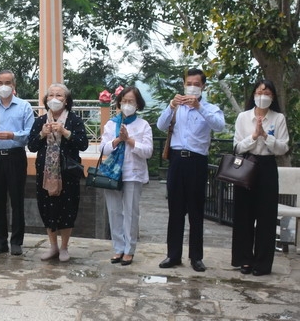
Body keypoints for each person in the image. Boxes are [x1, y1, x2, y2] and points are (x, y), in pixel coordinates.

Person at [156, 68, 225, 272]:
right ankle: (173, 255)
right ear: (184, 84)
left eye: (196, 83)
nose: (192, 87)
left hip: (197, 161)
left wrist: (200, 107)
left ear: (203, 86)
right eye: (189, 83)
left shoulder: (210, 108)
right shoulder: (177, 107)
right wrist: (171, 106)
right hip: (177, 160)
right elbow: (160, 125)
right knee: (175, 210)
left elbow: (220, 126)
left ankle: (196, 257)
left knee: (196, 210)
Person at [231, 79, 289, 276]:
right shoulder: (243, 117)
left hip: (267, 167)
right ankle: (244, 259)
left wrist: (266, 136)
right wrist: (254, 136)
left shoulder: (278, 118)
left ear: (272, 97)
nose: (263, 96)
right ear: (254, 94)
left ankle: (263, 264)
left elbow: (283, 147)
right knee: (244, 214)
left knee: (266, 216)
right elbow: (237, 146)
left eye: (267, 93)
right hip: (247, 165)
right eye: (259, 91)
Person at [27, 83, 88, 262]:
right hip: (46, 174)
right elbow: (31, 145)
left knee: (67, 209)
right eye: (51, 95)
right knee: (47, 209)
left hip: (68, 174)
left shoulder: (74, 120)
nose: (54, 98)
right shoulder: (40, 121)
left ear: (66, 100)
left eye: (59, 95)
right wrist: (41, 135)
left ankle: (64, 247)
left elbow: (83, 144)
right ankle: (53, 246)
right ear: (46, 100)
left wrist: (64, 132)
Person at [0, 70, 34, 256]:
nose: (4, 86)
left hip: (16, 155)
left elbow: (29, 134)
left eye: (8, 82)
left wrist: (12, 135)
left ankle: (17, 241)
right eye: (0, 82)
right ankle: (0, 242)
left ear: (14, 85)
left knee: (17, 199)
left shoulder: (24, 106)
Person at [99, 87, 153, 266]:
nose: (127, 105)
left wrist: (129, 140)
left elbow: (148, 151)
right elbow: (103, 148)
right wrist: (117, 140)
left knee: (130, 212)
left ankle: (129, 250)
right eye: (124, 101)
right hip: (113, 173)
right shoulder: (111, 124)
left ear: (138, 105)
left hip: (133, 173)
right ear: (119, 103)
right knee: (114, 212)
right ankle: (118, 248)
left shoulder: (143, 125)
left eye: (131, 101)